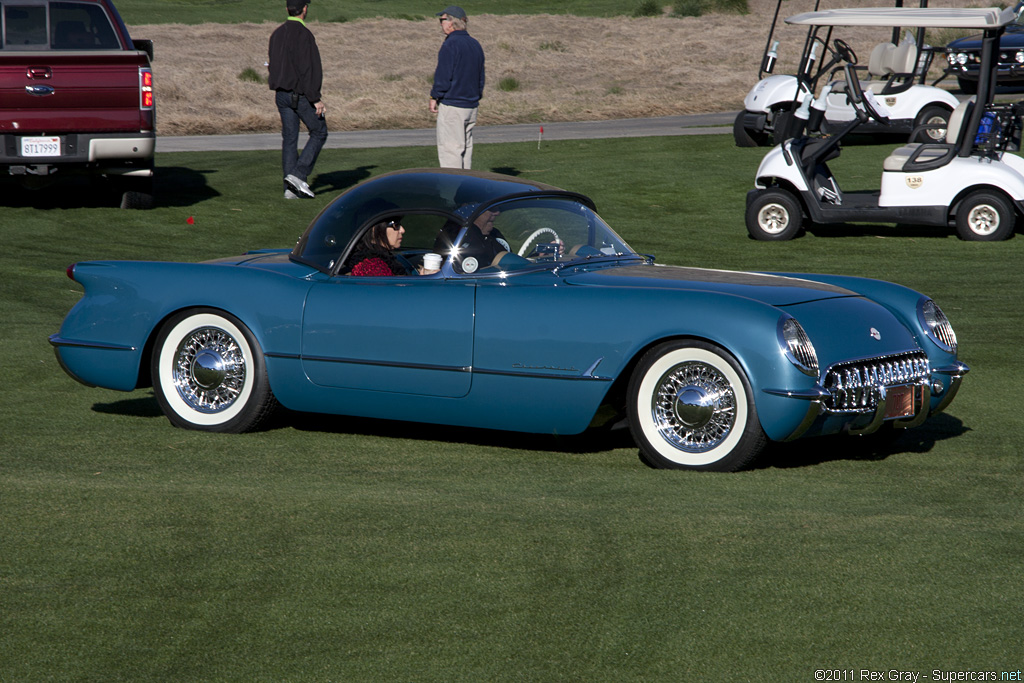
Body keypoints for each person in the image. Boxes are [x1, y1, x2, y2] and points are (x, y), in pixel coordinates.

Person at [268, 0, 328, 199]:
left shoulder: (276, 34)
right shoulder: (304, 35)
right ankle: (298, 175)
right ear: (304, 9)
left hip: (281, 95)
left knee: (290, 139)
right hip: (300, 95)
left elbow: (272, 64)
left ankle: (290, 188)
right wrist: (315, 99)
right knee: (319, 131)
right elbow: (307, 70)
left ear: (287, 9)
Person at [429, 6, 485, 169]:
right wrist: (475, 97)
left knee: (451, 152)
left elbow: (443, 77)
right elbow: (480, 78)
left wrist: (434, 96)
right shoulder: (475, 44)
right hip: (471, 105)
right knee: (465, 151)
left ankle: (452, 192)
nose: (441, 24)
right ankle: (465, 189)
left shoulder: (451, 44)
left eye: (442, 20)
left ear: (452, 22)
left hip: (453, 106)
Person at [347, 219, 440, 277]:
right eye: (396, 225)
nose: (402, 230)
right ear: (375, 229)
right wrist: (423, 282)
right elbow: (396, 300)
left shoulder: (382, 258)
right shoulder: (372, 267)